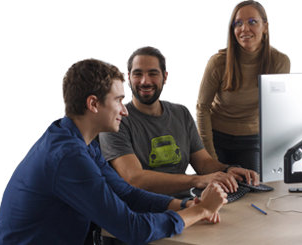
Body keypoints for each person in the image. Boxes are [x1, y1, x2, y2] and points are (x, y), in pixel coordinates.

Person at [0, 59, 228, 245]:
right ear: (93, 104)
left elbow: (127, 193)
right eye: (118, 100)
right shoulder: (69, 157)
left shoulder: (80, 140)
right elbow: (131, 229)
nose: (124, 111)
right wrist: (202, 210)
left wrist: (184, 206)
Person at [99, 46, 259, 202]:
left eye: (153, 73)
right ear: (129, 77)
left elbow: (203, 163)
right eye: (138, 74)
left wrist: (228, 170)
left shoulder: (180, 113)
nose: (145, 81)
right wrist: (196, 180)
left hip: (188, 202)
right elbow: (135, 179)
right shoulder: (116, 120)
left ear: (165, 77)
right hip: (145, 211)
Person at [196, 0, 291, 173]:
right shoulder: (218, 62)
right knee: (220, 191)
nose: (244, 29)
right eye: (238, 23)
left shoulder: (279, 62)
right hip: (216, 137)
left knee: (253, 190)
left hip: (251, 140)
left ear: (265, 26)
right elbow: (202, 108)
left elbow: (278, 112)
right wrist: (211, 159)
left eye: (252, 22)